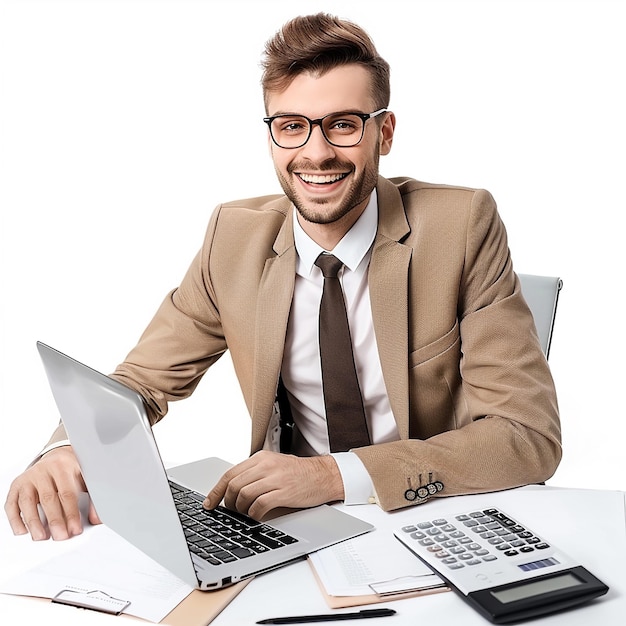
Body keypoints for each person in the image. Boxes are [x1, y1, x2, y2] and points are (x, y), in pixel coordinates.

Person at [5, 12, 561, 542]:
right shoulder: (233, 237)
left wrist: (335, 475)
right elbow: (142, 381)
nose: (316, 154)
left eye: (343, 125)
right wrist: (68, 450)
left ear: (384, 133)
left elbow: (527, 436)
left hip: (434, 518)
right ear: (271, 134)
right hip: (292, 527)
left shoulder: (460, 226)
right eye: (292, 127)